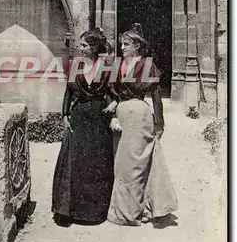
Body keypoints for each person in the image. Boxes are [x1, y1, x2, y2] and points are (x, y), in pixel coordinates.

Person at [107, 23, 178, 227]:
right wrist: (113, 111)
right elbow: (109, 92)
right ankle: (124, 211)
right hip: (121, 117)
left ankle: (141, 210)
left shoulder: (147, 66)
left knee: (138, 165)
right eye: (122, 44)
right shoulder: (117, 65)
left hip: (141, 118)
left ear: (137, 46)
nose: (122, 48)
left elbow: (156, 95)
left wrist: (159, 123)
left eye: (126, 44)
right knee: (122, 165)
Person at [52, 27, 115, 226]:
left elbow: (116, 91)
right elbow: (68, 93)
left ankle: (94, 213)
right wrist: (64, 115)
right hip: (79, 117)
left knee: (96, 163)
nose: (81, 49)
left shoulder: (107, 66)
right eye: (80, 45)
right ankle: (70, 211)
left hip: (98, 119)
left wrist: (114, 102)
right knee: (74, 162)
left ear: (95, 48)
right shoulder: (76, 65)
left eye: (85, 45)